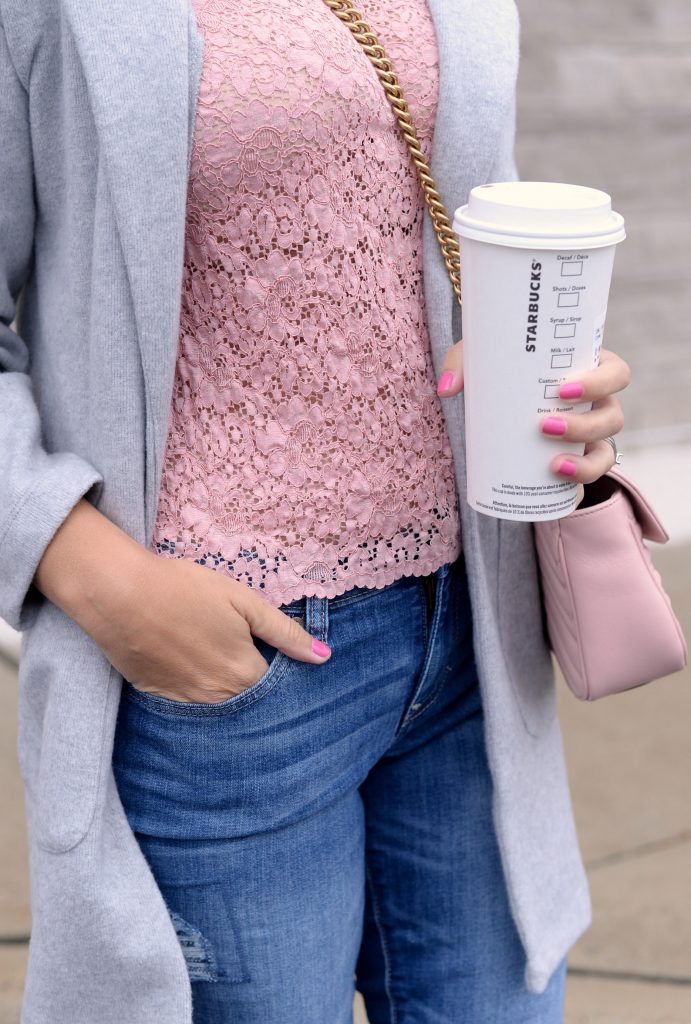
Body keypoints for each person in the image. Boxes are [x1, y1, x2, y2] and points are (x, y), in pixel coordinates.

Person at [0, 0, 630, 1021]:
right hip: (227, 675)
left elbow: (458, 223)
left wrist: (557, 384)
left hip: (469, 636)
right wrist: (97, 577)